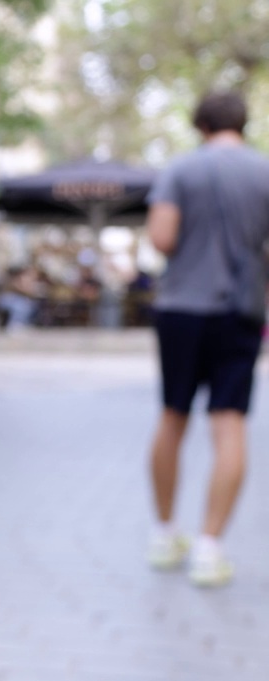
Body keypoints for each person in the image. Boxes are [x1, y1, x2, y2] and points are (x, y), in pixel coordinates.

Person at [144, 90, 269, 588]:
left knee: (173, 417)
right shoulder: (263, 172)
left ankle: (162, 533)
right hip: (239, 313)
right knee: (229, 424)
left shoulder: (180, 170)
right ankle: (209, 547)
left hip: (180, 309)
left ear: (199, 125)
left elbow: (161, 239)